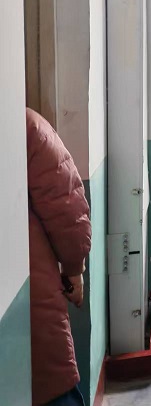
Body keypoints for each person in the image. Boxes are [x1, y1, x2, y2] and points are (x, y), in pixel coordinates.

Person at [26, 108, 92, 406]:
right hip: (32, 300)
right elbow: (68, 210)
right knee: (52, 387)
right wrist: (74, 268)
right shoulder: (26, 126)